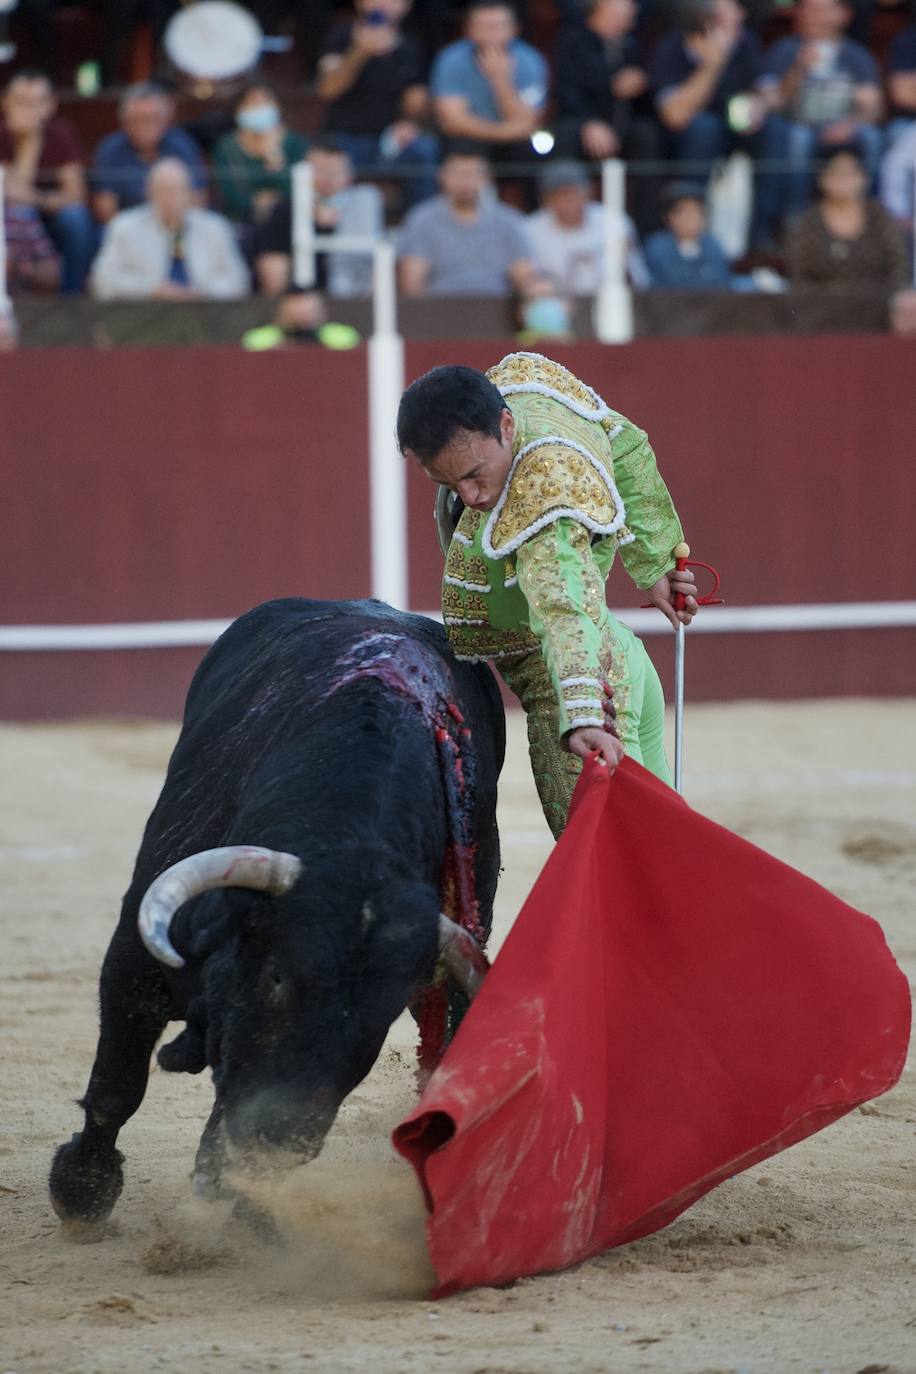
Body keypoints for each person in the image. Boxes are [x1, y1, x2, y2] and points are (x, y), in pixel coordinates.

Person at [397, 353, 699, 838]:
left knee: (615, 874)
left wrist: (582, 713)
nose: (470, 496)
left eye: (475, 473)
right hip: (622, 656)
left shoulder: (541, 494)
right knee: (666, 856)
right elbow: (625, 443)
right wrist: (655, 560)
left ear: (507, 426)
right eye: (448, 483)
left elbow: (562, 604)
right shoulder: (523, 390)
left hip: (584, 695)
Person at [756, 0, 883, 229]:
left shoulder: (857, 56)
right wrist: (799, 69)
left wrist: (851, 125)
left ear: (843, 14)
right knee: (798, 138)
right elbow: (769, 104)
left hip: (844, 127)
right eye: (805, 8)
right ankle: (794, 220)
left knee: (871, 137)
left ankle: (870, 217)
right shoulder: (783, 50)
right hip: (796, 126)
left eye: (819, 9)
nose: (809, 16)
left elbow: (874, 108)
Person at [316, 0, 439, 211]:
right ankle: (330, 224)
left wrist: (410, 122)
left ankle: (418, 223)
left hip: (389, 141)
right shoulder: (342, 36)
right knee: (328, 158)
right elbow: (327, 90)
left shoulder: (411, 45)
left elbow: (417, 101)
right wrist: (359, 52)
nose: (384, 3)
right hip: (345, 139)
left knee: (425, 149)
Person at [552, 0, 663, 231]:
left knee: (647, 136)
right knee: (564, 138)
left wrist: (641, 85)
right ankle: (563, 219)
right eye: (625, 5)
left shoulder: (630, 45)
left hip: (622, 127)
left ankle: (647, 230)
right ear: (603, 9)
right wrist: (589, 122)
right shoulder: (574, 42)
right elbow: (566, 92)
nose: (633, 9)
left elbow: (644, 104)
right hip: (583, 125)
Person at [429, 0, 548, 199]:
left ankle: (532, 217)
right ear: (469, 30)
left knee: (538, 150)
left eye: (497, 26)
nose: (490, 33)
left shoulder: (530, 60)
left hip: (513, 142)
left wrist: (500, 80)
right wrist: (503, 132)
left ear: (514, 29)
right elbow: (453, 121)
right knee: (458, 149)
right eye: (483, 26)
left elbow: (528, 120)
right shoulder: (451, 59)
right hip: (472, 138)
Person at [91, 158, 249, 301]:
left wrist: (202, 292)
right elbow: (102, 282)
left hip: (205, 315)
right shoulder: (124, 227)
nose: (170, 198)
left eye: (177, 190)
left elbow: (239, 281)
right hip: (144, 316)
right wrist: (151, 289)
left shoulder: (215, 227)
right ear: (148, 193)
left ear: (190, 194)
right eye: (163, 191)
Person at [648, 0, 770, 184]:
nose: (741, 16)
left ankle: (771, 212)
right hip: (680, 139)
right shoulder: (672, 47)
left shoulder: (746, 42)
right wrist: (713, 65)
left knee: (774, 129)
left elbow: (767, 91)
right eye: (732, 11)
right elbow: (675, 116)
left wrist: (761, 104)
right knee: (704, 127)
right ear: (706, 21)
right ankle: (691, 205)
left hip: (735, 131)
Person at [0, 69, 96, 292]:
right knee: (19, 214)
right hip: (10, 222)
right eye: (21, 102)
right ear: (6, 103)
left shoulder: (61, 133)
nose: (28, 110)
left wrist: (37, 200)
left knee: (75, 218)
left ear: (50, 105)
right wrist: (30, 142)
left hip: (50, 215)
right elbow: (11, 196)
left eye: (36, 103)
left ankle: (71, 302)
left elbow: (76, 195)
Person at [398, 146, 539, 294]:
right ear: (442, 176)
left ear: (486, 179)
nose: (465, 182)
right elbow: (411, 283)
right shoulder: (421, 220)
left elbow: (525, 278)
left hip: (497, 309)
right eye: (458, 174)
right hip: (439, 308)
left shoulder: (508, 220)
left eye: (472, 174)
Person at [253, 138, 383, 297]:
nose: (328, 178)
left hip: (353, 297)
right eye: (320, 170)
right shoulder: (284, 210)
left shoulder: (364, 203)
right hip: (302, 300)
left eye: (335, 171)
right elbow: (272, 264)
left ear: (349, 174)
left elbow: (376, 260)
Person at [785, 145, 908, 288]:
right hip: (821, 305)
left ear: (864, 177)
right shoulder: (807, 222)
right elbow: (799, 275)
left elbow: (899, 267)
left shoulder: (880, 216)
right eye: (836, 172)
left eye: (850, 172)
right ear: (822, 178)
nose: (843, 179)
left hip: (878, 303)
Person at [90, 83, 207, 225]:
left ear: (166, 118)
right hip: (126, 229)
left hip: (177, 226)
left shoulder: (183, 145)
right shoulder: (110, 149)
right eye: (138, 119)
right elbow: (105, 207)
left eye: (154, 118)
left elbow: (198, 199)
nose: (146, 125)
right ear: (125, 121)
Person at [525, 159, 650, 292]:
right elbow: (527, 281)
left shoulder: (613, 221)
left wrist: (623, 264)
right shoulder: (530, 229)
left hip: (604, 303)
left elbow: (640, 281)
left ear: (587, 193)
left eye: (573, 194)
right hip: (554, 305)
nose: (567, 203)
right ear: (545, 199)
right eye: (558, 196)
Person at [211, 83, 308, 228]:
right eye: (253, 102)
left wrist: (273, 157)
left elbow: (298, 190)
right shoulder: (226, 146)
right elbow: (230, 195)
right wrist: (256, 202)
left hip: (288, 222)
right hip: (241, 224)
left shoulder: (296, 143)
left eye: (265, 101)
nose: (259, 107)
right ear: (239, 110)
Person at [644, 180, 733, 286]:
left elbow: (723, 283)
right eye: (684, 212)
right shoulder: (657, 246)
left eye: (697, 211)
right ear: (669, 217)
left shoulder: (713, 245)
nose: (692, 218)